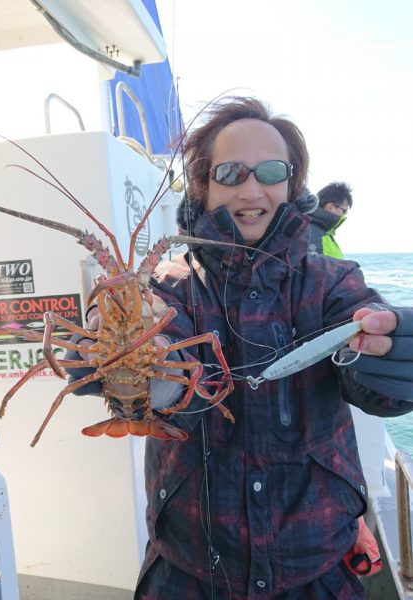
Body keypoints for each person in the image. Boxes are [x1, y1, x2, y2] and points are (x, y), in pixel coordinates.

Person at [67, 96, 413, 599]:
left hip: (318, 570)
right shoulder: (167, 284)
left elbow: (367, 350)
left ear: (292, 184)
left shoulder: (334, 281)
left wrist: (394, 357)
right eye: (230, 173)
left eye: (271, 171)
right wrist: (145, 368)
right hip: (186, 570)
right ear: (204, 187)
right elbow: (174, 351)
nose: (251, 188)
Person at [308, 182, 353, 258]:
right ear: (330, 207)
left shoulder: (326, 232)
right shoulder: (311, 230)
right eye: (344, 210)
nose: (344, 215)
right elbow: (314, 267)